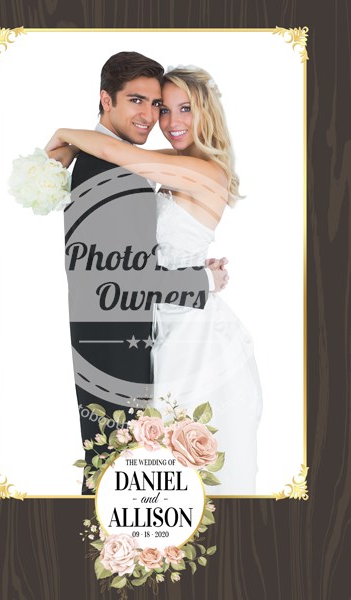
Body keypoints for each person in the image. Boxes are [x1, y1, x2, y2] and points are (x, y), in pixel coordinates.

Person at [46, 54, 229, 495]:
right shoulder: (126, 163)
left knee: (153, 471)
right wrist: (200, 279)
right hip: (121, 338)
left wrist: (67, 136)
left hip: (171, 333)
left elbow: (124, 271)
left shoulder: (174, 165)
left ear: (207, 112)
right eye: (145, 103)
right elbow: (114, 280)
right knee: (126, 472)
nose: (160, 118)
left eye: (179, 108)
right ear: (106, 100)